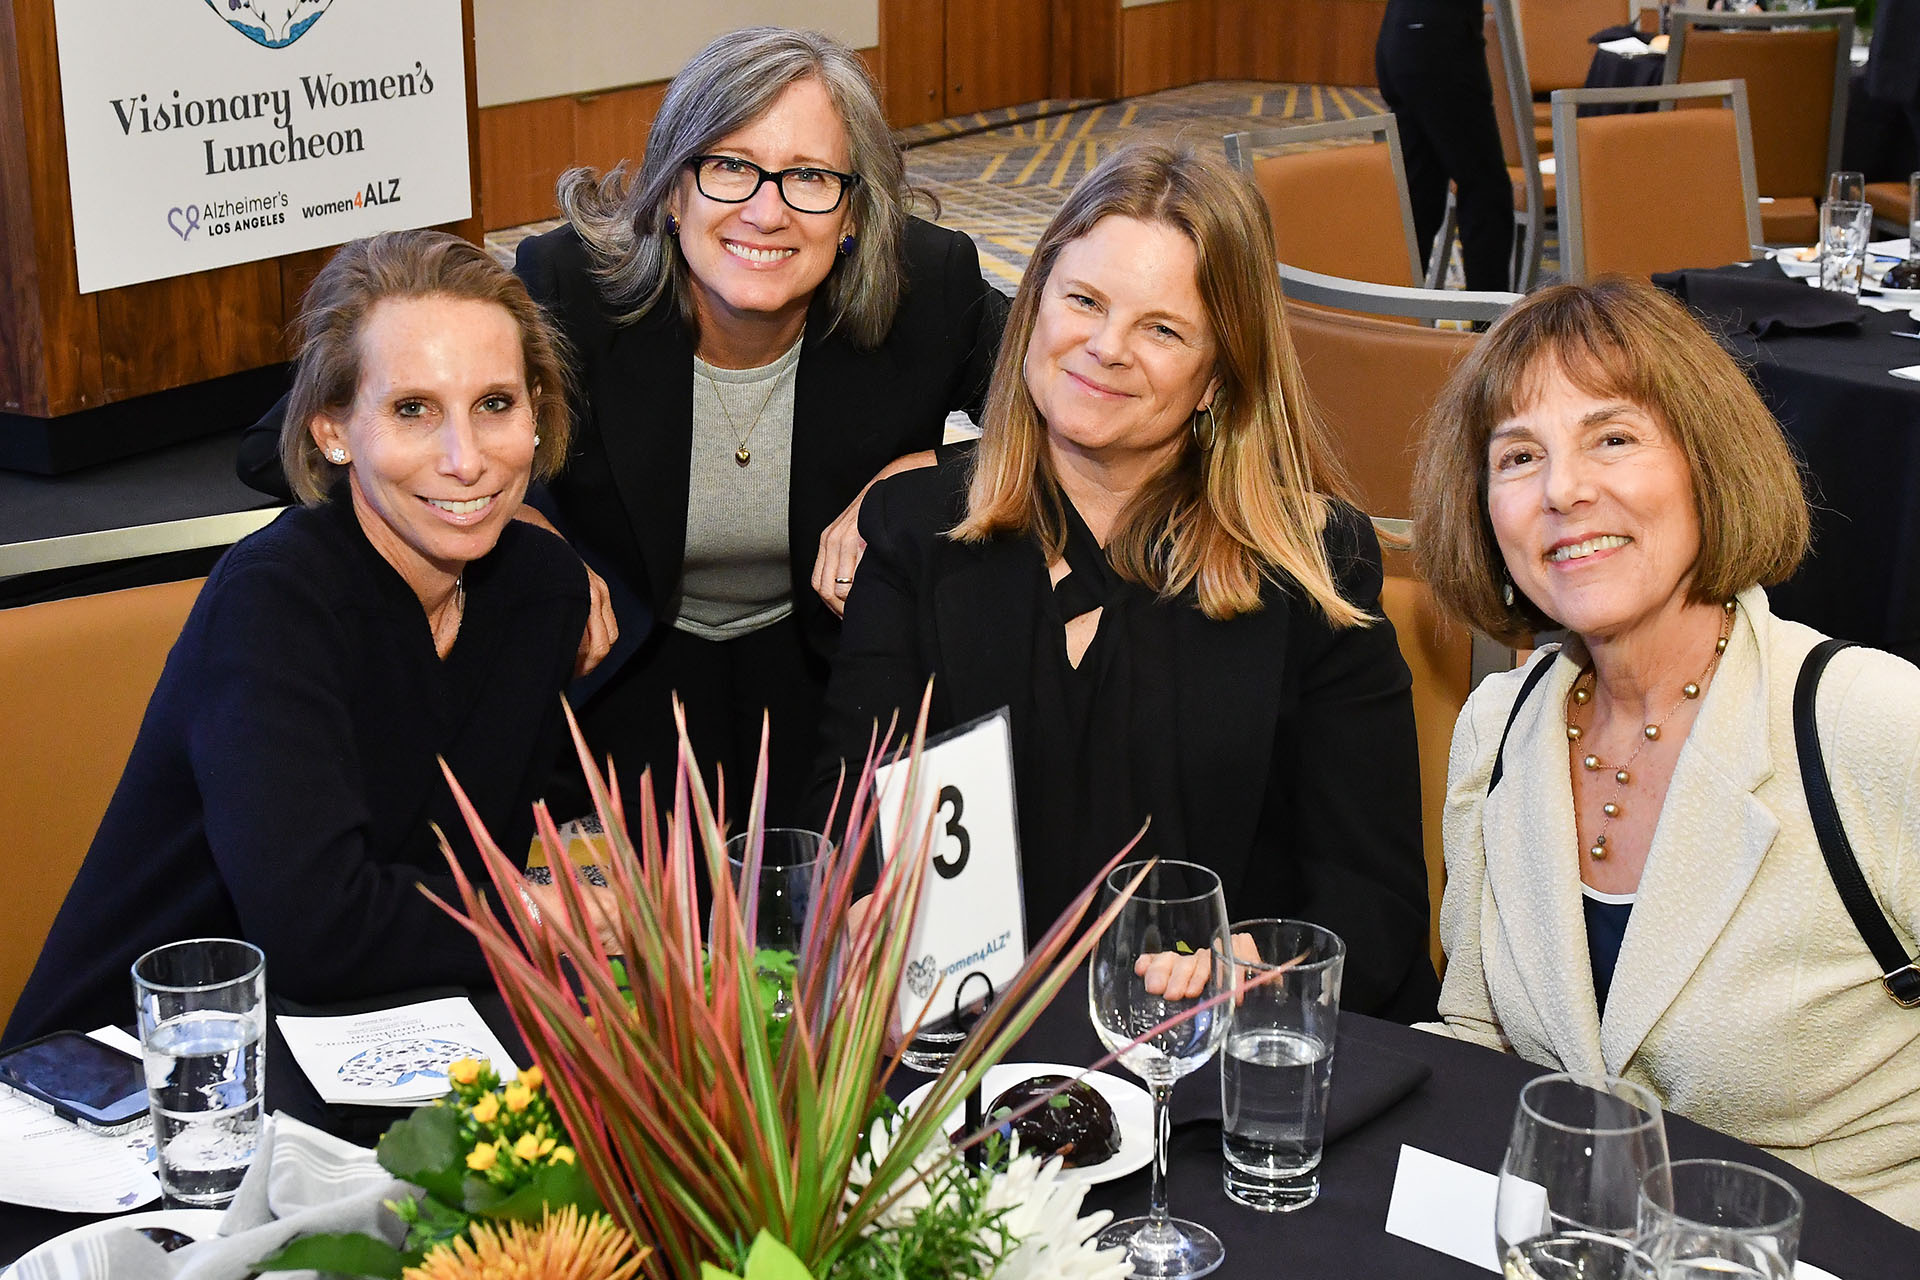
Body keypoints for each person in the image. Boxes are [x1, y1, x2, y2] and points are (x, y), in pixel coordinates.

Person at [237, 28, 1008, 831]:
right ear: (672, 192)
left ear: (854, 212)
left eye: (810, 176)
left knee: (824, 905)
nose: (766, 210)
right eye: (730, 167)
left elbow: (1075, 420)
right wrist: (511, 512)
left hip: (829, 670)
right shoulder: (571, 285)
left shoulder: (928, 283)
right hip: (623, 668)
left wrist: (919, 478)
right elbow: (278, 448)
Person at [815, 143, 1439, 1023]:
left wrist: (1245, 963)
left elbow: (1370, 905)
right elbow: (851, 833)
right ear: (1032, 308)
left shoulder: (1313, 564)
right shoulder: (916, 533)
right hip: (968, 1056)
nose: (1105, 348)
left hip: (1209, 1058)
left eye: (1162, 329)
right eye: (1084, 301)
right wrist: (863, 918)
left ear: (1218, 378)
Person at [5, 230, 595, 1048]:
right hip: (134, 1085)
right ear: (332, 432)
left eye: (495, 404)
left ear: (538, 413)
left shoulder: (540, 591)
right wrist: (542, 913)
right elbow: (318, 930)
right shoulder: (276, 600)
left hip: (372, 1042)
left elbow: (477, 864)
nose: (467, 460)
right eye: (413, 409)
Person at [1412, 276, 1920, 1225]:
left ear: (1705, 464)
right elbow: (1475, 1038)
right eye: (1519, 457)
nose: (1565, 489)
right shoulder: (1496, 729)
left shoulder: (1871, 727)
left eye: (1613, 437)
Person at [1375, 0, 1516, 292]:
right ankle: (1489, 327)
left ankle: (1394, 315)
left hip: (1400, 32)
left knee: (1420, 196)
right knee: (1486, 193)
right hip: (1440, 42)